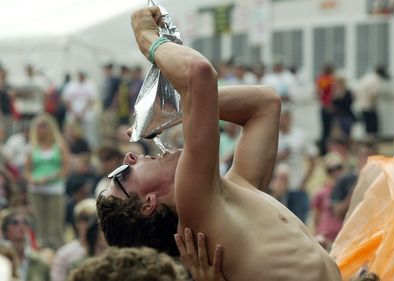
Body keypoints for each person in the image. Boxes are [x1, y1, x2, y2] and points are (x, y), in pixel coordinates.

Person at [97, 6, 342, 281]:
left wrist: (177, 114)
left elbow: (264, 105)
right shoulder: (194, 209)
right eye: (122, 175)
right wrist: (146, 38)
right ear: (148, 204)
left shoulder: (231, 195)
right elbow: (198, 73)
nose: (129, 157)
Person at [24, 114, 70, 250]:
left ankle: (57, 248)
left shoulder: (60, 145)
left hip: (55, 188)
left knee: (55, 222)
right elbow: (27, 170)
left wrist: (52, 177)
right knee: (38, 222)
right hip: (36, 189)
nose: (41, 129)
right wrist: (33, 179)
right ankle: (40, 248)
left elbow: (66, 167)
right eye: (38, 126)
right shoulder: (32, 147)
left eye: (44, 125)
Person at [51, 199, 96, 281]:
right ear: (77, 222)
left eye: (95, 220)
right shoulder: (65, 254)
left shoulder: (108, 250)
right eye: (85, 218)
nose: (89, 224)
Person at [1, 209, 51, 281]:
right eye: (15, 223)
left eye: (25, 222)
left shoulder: (40, 263)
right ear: (5, 228)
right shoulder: (1, 258)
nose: (21, 226)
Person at [316, 64, 336, 156]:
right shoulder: (329, 79)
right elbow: (331, 93)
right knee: (327, 131)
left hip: (324, 106)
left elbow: (318, 93)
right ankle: (325, 150)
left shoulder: (320, 79)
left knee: (325, 130)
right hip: (328, 106)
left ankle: (324, 150)